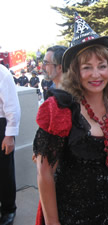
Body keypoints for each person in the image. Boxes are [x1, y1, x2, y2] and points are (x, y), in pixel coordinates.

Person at [33, 13, 108, 225]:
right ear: (75, 72)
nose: (96, 74)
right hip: (73, 215)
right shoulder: (60, 109)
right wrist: (52, 222)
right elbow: (44, 173)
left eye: (102, 65)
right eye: (87, 67)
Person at [0, 64, 21, 225]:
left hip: (2, 126)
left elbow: (12, 106)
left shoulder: (2, 73)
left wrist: (10, 136)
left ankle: (8, 209)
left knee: (4, 171)